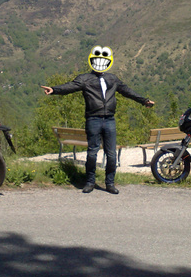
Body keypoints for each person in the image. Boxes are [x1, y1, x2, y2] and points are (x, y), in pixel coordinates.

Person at [41, 45, 154, 194]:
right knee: (92, 153)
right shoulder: (85, 79)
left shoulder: (112, 78)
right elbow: (70, 87)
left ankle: (110, 183)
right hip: (93, 119)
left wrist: (143, 101)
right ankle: (90, 182)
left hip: (109, 120)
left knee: (111, 154)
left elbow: (127, 91)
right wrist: (54, 90)